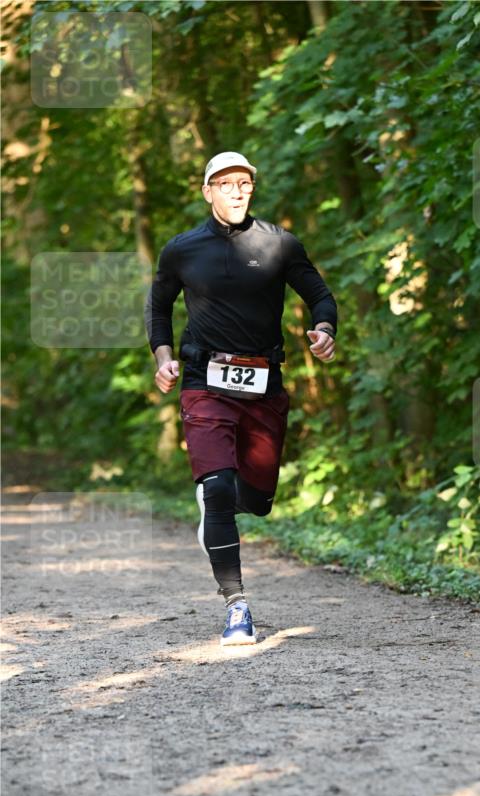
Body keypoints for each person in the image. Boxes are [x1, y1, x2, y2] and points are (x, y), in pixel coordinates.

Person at [145, 151, 337, 645]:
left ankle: (222, 503)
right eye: (224, 183)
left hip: (263, 385)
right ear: (207, 191)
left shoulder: (279, 245)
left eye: (243, 183)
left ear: (252, 189)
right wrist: (163, 357)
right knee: (219, 487)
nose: (235, 191)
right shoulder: (182, 250)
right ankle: (237, 605)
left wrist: (323, 328)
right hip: (203, 380)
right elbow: (159, 307)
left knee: (257, 498)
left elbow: (319, 295)